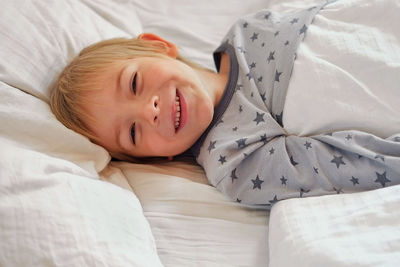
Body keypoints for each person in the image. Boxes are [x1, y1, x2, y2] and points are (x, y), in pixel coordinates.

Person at [51, 0, 400, 209]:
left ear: (157, 46)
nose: (148, 111)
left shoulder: (250, 30)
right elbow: (349, 165)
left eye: (134, 83)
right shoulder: (234, 161)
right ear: (156, 158)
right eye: (132, 132)